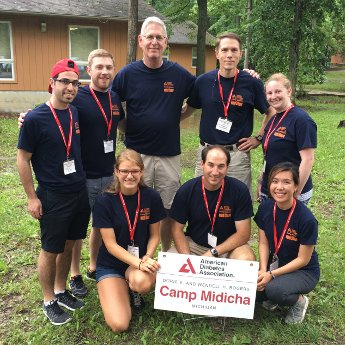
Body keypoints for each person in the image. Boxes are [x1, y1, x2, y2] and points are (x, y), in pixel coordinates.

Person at [18, 49, 125, 296]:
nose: (104, 71)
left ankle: (94, 266)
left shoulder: (115, 98)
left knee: (97, 224)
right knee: (74, 233)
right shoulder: (79, 96)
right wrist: (27, 115)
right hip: (81, 175)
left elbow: (122, 125)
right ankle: (75, 273)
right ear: (89, 69)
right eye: (99, 67)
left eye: (109, 67)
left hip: (107, 173)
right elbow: (51, 108)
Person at [112, 16, 196, 252]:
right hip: (137, 156)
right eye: (150, 37)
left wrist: (178, 117)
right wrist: (124, 127)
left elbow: (202, 93)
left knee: (169, 208)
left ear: (166, 42)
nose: (154, 42)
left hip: (169, 154)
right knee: (137, 206)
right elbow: (111, 104)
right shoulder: (127, 74)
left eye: (159, 37)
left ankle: (166, 254)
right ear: (140, 40)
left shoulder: (178, 74)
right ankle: (137, 252)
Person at [17, 59, 89, 325]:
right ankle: (48, 300)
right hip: (53, 195)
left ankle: (60, 290)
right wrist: (31, 198)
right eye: (65, 81)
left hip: (78, 191)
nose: (70, 87)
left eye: (74, 83)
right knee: (50, 249)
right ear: (52, 83)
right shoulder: (35, 118)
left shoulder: (74, 112)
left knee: (70, 243)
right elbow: (22, 159)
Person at [182, 32, 275, 196]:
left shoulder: (251, 82)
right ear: (217, 53)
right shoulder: (203, 81)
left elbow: (271, 111)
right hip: (206, 153)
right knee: (201, 201)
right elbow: (188, 109)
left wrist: (258, 138)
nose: (229, 55)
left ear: (240, 53)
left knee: (238, 203)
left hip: (237, 155)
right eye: (225, 50)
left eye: (234, 50)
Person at [92, 149, 166, 332]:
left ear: (142, 172)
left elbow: (155, 235)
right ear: (116, 172)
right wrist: (139, 263)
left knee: (142, 283)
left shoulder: (152, 197)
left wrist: (147, 257)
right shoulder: (104, 200)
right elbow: (110, 245)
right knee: (119, 325)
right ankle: (119, 287)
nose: (129, 176)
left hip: (137, 263)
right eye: (124, 171)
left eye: (134, 171)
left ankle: (133, 288)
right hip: (111, 264)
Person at [254, 162, 320, 324]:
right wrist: (263, 270)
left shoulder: (306, 219)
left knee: (275, 289)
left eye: (286, 182)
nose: (279, 187)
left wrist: (271, 275)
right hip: (275, 263)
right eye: (275, 181)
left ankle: (299, 302)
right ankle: (272, 293)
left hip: (303, 270)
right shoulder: (265, 208)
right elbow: (263, 243)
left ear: (296, 186)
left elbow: (302, 259)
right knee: (252, 287)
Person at [169, 145, 255, 261]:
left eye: (221, 166)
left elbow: (243, 234)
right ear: (202, 164)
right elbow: (176, 229)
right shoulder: (187, 190)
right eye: (210, 165)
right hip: (194, 245)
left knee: (246, 259)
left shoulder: (239, 190)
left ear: (227, 167)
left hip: (229, 247)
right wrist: (188, 259)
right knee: (170, 261)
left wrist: (213, 252)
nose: (215, 172)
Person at [258, 73, 317, 204]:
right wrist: (262, 180)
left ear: (289, 91)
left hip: (290, 190)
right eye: (269, 93)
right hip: (271, 188)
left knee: (287, 225)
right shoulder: (273, 119)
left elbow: (308, 159)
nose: (273, 96)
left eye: (278, 91)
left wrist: (296, 192)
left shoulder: (302, 120)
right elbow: (269, 154)